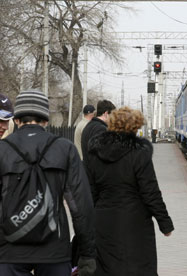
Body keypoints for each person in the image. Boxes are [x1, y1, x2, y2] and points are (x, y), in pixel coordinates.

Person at [0, 90, 96, 276]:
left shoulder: (3, 150)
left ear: (17, 119)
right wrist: (87, 253)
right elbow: (81, 206)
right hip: (54, 248)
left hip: (8, 249)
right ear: (46, 120)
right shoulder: (64, 148)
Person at [87, 106, 174, 276]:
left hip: (103, 220)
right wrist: (165, 223)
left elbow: (90, 190)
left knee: (106, 267)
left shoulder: (95, 152)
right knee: (137, 267)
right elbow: (150, 192)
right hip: (135, 222)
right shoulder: (139, 153)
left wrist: (87, 221)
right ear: (134, 127)